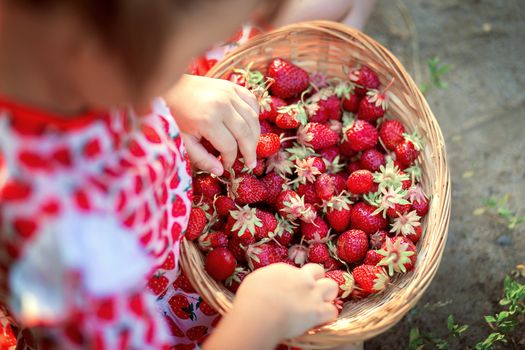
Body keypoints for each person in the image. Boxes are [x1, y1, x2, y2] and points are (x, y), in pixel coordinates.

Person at [0, 0, 341, 349]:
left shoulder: (47, 47)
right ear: (110, 63)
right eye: (187, 54)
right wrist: (262, 317)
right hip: (157, 288)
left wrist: (175, 88)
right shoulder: (68, 247)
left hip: (159, 170)